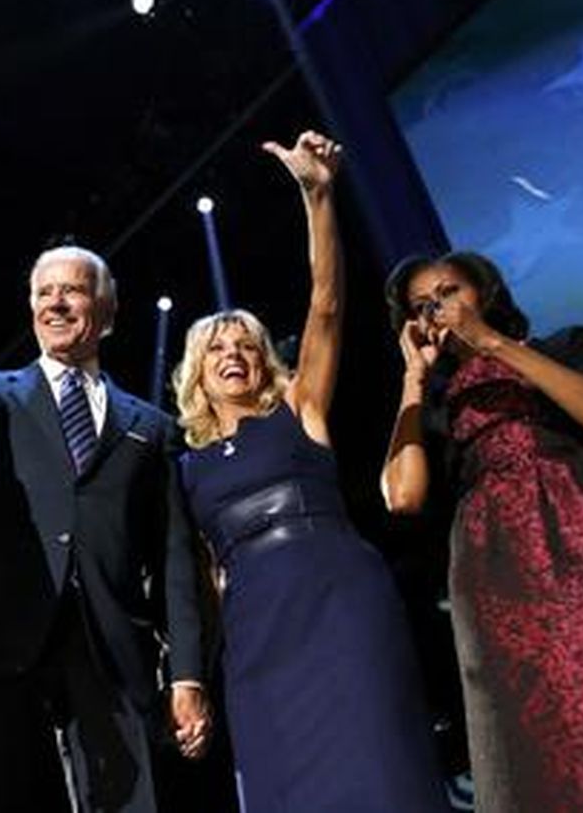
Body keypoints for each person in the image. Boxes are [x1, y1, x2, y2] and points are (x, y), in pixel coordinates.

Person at [169, 132, 446, 812]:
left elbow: (326, 303)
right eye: (216, 350)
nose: (233, 354)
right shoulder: (184, 469)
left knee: (383, 769)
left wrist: (318, 194)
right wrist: (191, 682)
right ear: (196, 376)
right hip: (258, 646)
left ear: (266, 362)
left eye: (246, 345)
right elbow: (201, 580)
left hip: (341, 609)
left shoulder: (300, 408)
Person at [0, 245, 210, 813]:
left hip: (114, 660)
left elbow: (174, 565)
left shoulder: (152, 428)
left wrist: (187, 675)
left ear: (109, 311)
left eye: (72, 290)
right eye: (44, 292)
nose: (56, 303)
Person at [381, 249, 583, 811]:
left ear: (484, 292)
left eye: (449, 292)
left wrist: (492, 343)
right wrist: (414, 380)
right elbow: (403, 495)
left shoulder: (567, 347)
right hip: (501, 576)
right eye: (422, 306)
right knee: (552, 735)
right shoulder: (436, 412)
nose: (439, 309)